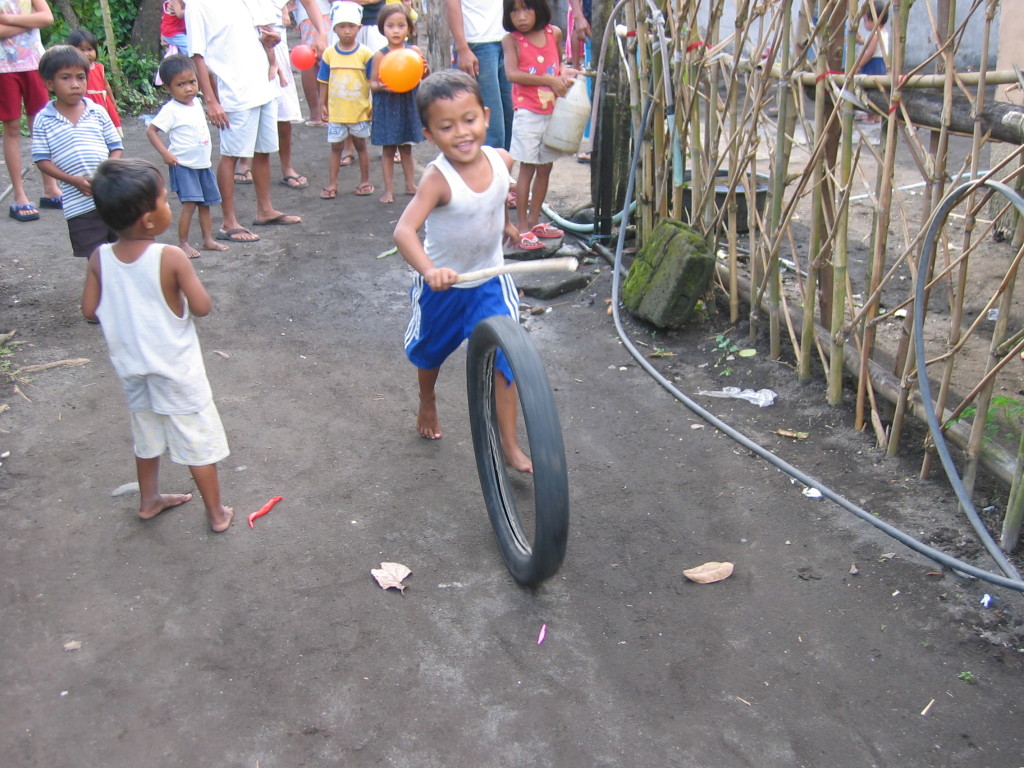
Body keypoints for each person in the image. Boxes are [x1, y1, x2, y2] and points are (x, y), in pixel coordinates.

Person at [82, 158, 233, 533]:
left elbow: (89, 311)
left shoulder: (100, 257)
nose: (170, 205)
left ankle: (149, 500)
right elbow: (202, 307)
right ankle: (216, 513)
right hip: (176, 372)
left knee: (146, 433)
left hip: (132, 368)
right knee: (196, 439)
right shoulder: (170, 257)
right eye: (166, 200)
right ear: (149, 220)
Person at [393, 70, 531, 473]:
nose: (461, 133)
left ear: (486, 116)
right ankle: (428, 400)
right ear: (429, 134)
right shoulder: (437, 179)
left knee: (508, 358)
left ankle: (509, 443)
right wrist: (430, 270)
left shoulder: (501, 159)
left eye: (469, 120)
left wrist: (505, 223)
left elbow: (497, 194)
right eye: (446, 126)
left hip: (489, 278)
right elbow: (404, 231)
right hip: (445, 286)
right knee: (429, 352)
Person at [185, 0, 301, 244]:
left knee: (264, 150)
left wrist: (269, 44)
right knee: (232, 154)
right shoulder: (197, 5)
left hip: (263, 84)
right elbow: (197, 56)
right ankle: (229, 222)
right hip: (234, 91)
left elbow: (253, 36)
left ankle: (265, 209)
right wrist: (211, 100)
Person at [32, 45, 123, 258]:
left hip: (112, 197)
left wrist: (106, 172)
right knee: (96, 258)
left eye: (81, 77)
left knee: (123, 251)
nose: (75, 85)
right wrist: (73, 180)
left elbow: (116, 147)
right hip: (79, 205)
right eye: (66, 78)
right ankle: (100, 291)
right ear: (49, 83)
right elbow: (42, 160)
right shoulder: (44, 119)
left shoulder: (97, 111)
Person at [502, 0, 572, 249]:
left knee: (545, 167)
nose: (521, 16)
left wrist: (562, 75)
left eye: (527, 9)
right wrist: (548, 80)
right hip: (528, 112)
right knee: (528, 168)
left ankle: (534, 221)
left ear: (539, 9)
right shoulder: (511, 40)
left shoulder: (554, 33)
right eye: (515, 10)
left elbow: (560, 62)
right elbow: (512, 74)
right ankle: (521, 226)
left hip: (553, 110)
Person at [146, 54, 228, 259]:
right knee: (190, 203)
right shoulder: (171, 110)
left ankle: (208, 240)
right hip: (183, 164)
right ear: (168, 88)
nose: (189, 88)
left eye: (192, 82)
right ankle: (183, 243)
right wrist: (165, 153)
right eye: (180, 84)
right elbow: (151, 131)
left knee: (205, 203)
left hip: (203, 164)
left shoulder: (197, 103)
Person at [0, 0, 62, 221]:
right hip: (4, 67)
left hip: (35, 63)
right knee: (12, 128)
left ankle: (51, 188)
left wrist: (7, 20)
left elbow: (46, 18)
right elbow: (38, 19)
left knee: (41, 123)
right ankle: (19, 195)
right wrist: (29, 22)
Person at [317, 1, 374, 198]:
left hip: (359, 111)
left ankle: (365, 181)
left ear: (359, 28)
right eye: (342, 26)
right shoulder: (329, 53)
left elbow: (372, 80)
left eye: (351, 26)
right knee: (336, 148)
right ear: (335, 28)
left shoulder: (365, 53)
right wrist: (321, 104)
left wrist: (372, 104)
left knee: (361, 146)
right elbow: (323, 80)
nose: (347, 31)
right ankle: (332, 184)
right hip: (337, 111)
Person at [369, 3, 426, 203]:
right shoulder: (380, 55)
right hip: (388, 105)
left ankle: (410, 184)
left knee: (407, 148)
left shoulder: (414, 51)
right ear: (382, 28)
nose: (396, 30)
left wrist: (424, 69)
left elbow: (419, 76)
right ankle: (389, 190)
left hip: (407, 104)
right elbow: (373, 83)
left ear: (409, 28)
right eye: (390, 25)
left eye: (401, 26)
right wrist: (381, 87)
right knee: (388, 149)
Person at [445, 0, 513, 151]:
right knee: (491, 128)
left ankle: (501, 172)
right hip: (477, 43)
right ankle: (484, 173)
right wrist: (462, 47)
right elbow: (452, 3)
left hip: (507, 38)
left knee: (511, 120)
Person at [67, 28, 122, 138]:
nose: (87, 54)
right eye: (81, 50)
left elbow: (106, 85)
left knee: (107, 127)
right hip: (86, 101)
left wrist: (112, 100)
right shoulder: (76, 70)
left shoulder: (99, 68)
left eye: (90, 49)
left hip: (103, 101)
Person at [853, 0, 888, 124]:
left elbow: (870, 52)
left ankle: (873, 115)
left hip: (873, 64)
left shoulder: (875, 34)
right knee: (875, 90)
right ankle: (873, 115)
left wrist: (858, 65)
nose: (864, 24)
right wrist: (860, 40)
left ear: (873, 20)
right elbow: (868, 43)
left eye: (865, 21)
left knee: (870, 91)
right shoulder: (882, 32)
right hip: (880, 63)